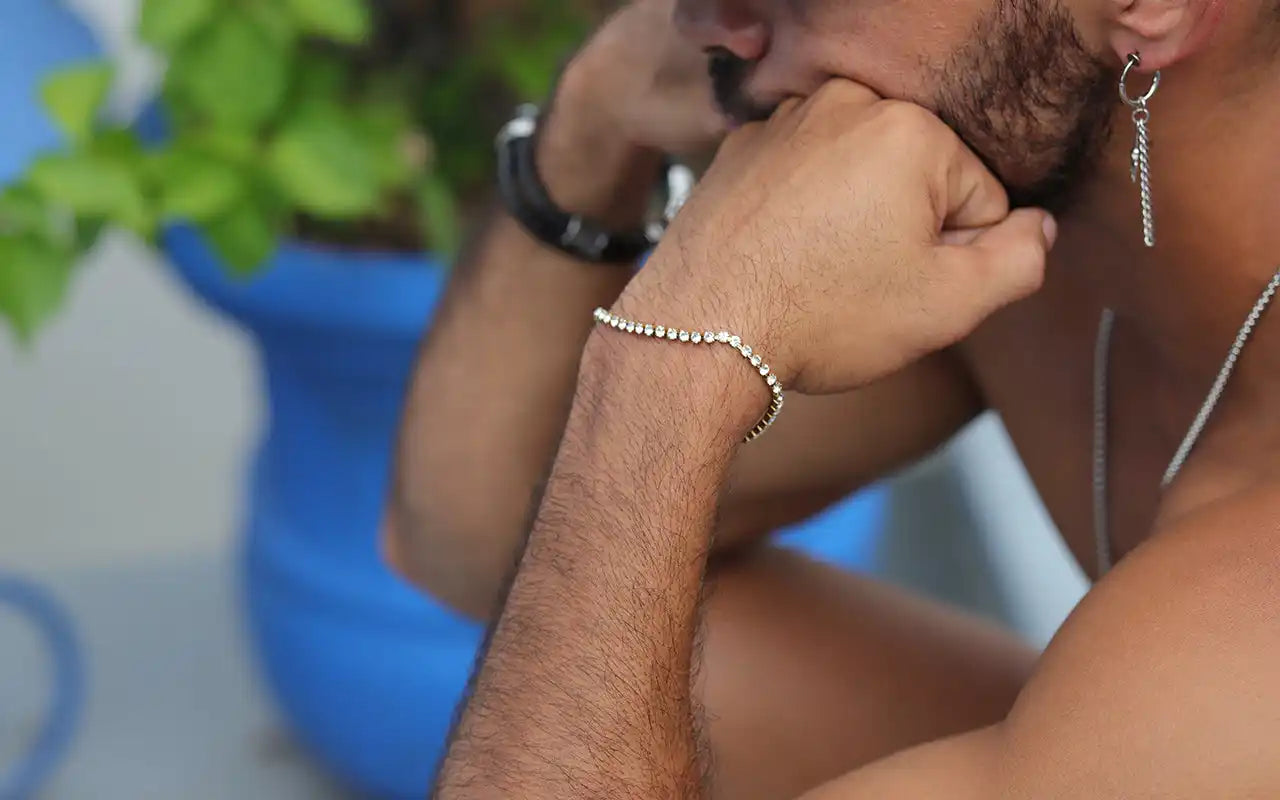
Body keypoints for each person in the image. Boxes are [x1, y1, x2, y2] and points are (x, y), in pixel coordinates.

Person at [386, 0, 1280, 796]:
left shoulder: (1248, 630)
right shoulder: (1014, 234)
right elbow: (480, 540)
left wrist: (676, 366)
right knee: (627, 637)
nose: (702, 22)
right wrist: (593, 126)